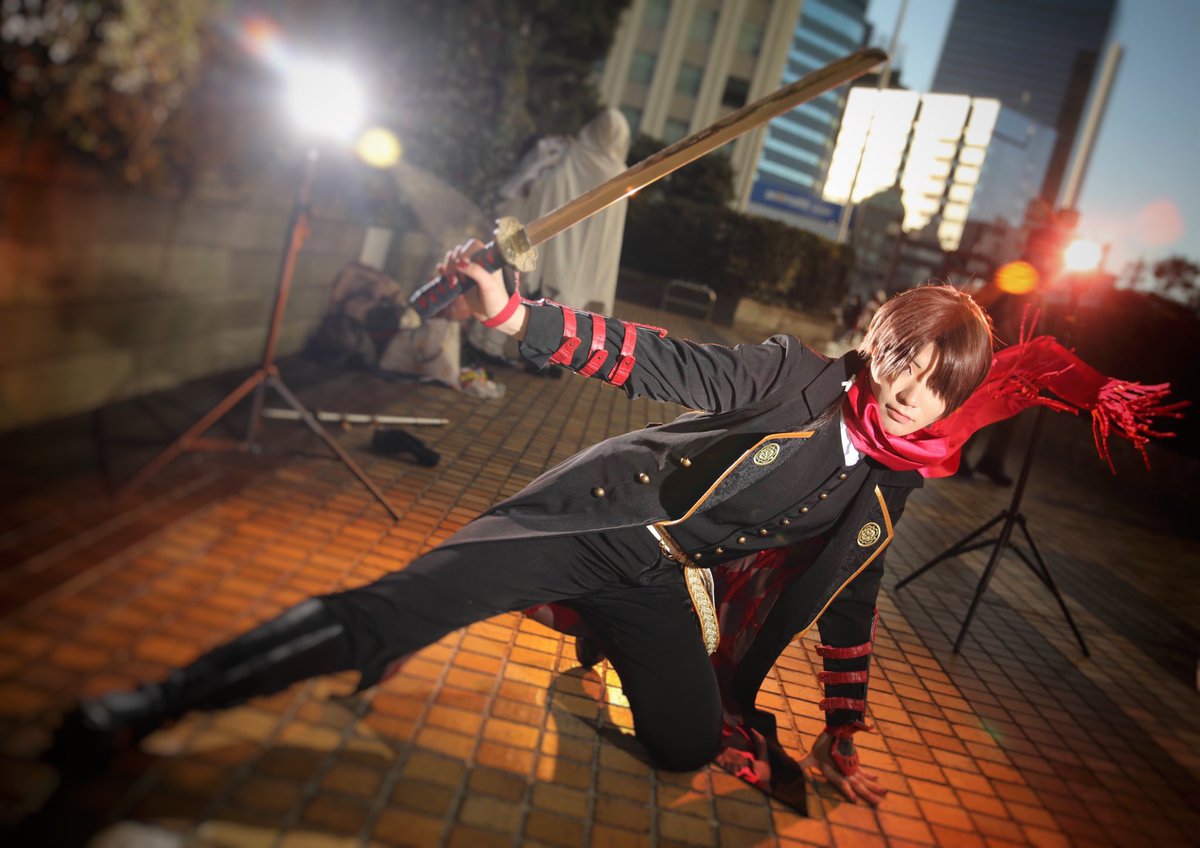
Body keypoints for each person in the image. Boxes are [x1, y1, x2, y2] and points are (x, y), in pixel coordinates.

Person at [52, 242, 1181, 808]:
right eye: (897, 358)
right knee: (393, 612)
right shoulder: (793, 377)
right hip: (596, 520)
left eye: (934, 381)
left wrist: (845, 733)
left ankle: (595, 641)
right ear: (875, 344)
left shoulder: (898, 484)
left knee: (686, 747)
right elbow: (656, 359)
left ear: (960, 394)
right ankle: (154, 703)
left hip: (659, 582)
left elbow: (852, 605)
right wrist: (517, 314)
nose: (904, 391)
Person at [465, 108, 632, 366]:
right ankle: (548, 360)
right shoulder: (620, 174)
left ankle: (488, 346)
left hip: (546, 242)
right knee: (564, 311)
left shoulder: (569, 155)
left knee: (513, 291)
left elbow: (537, 189)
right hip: (582, 260)